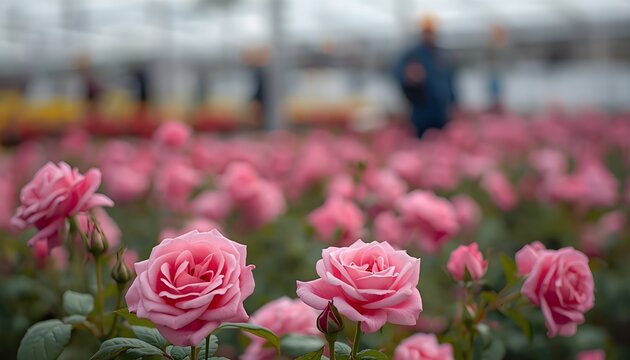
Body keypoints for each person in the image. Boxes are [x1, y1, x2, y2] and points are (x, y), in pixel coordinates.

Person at [394, 15, 456, 138]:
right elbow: (397, 71)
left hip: (441, 111)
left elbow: (450, 80)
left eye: (431, 32)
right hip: (421, 110)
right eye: (426, 32)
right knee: (422, 143)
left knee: (442, 144)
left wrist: (454, 101)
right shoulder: (413, 54)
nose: (429, 35)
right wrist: (409, 76)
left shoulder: (441, 54)